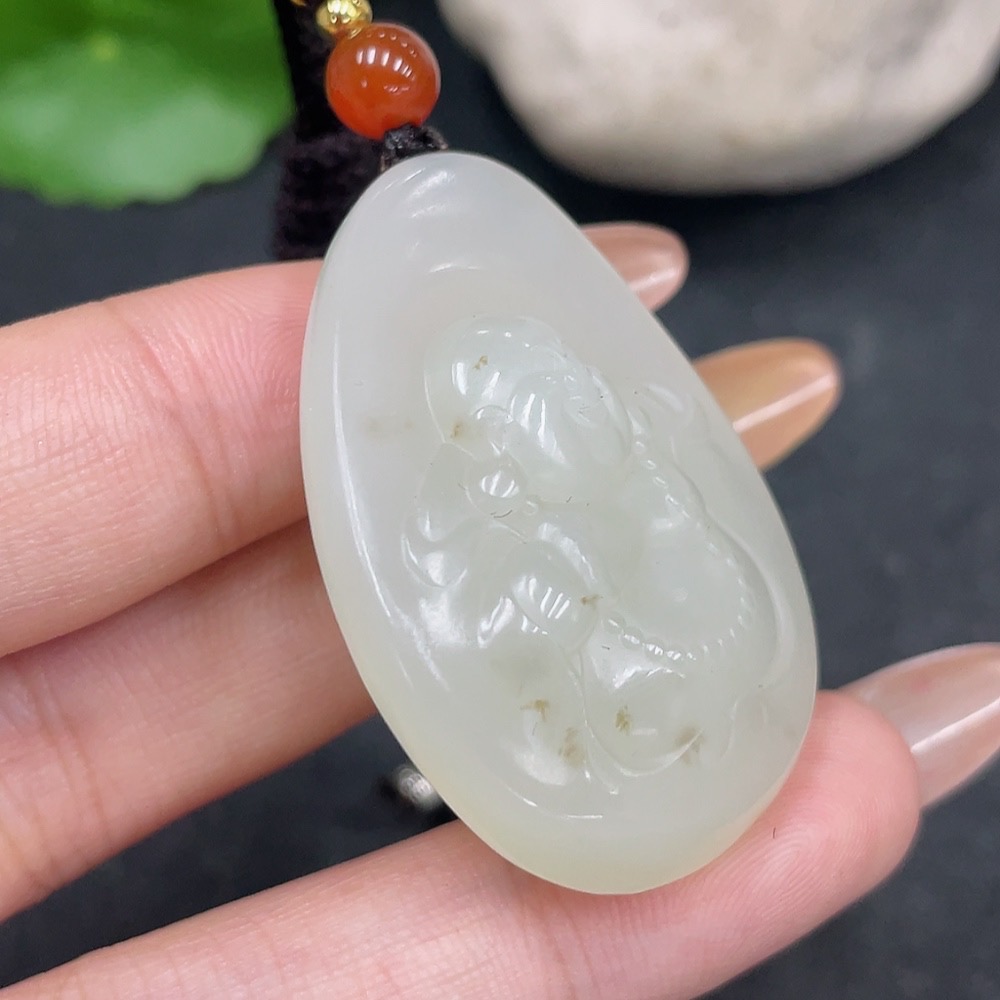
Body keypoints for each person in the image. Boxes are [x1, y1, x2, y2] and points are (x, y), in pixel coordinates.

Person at [0, 225, 996, 998]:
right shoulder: (500, 529)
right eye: (498, 433)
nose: (520, 443)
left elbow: (703, 581)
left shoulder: (637, 462)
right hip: (628, 689)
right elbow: (477, 611)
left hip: (699, 649)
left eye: (542, 408)